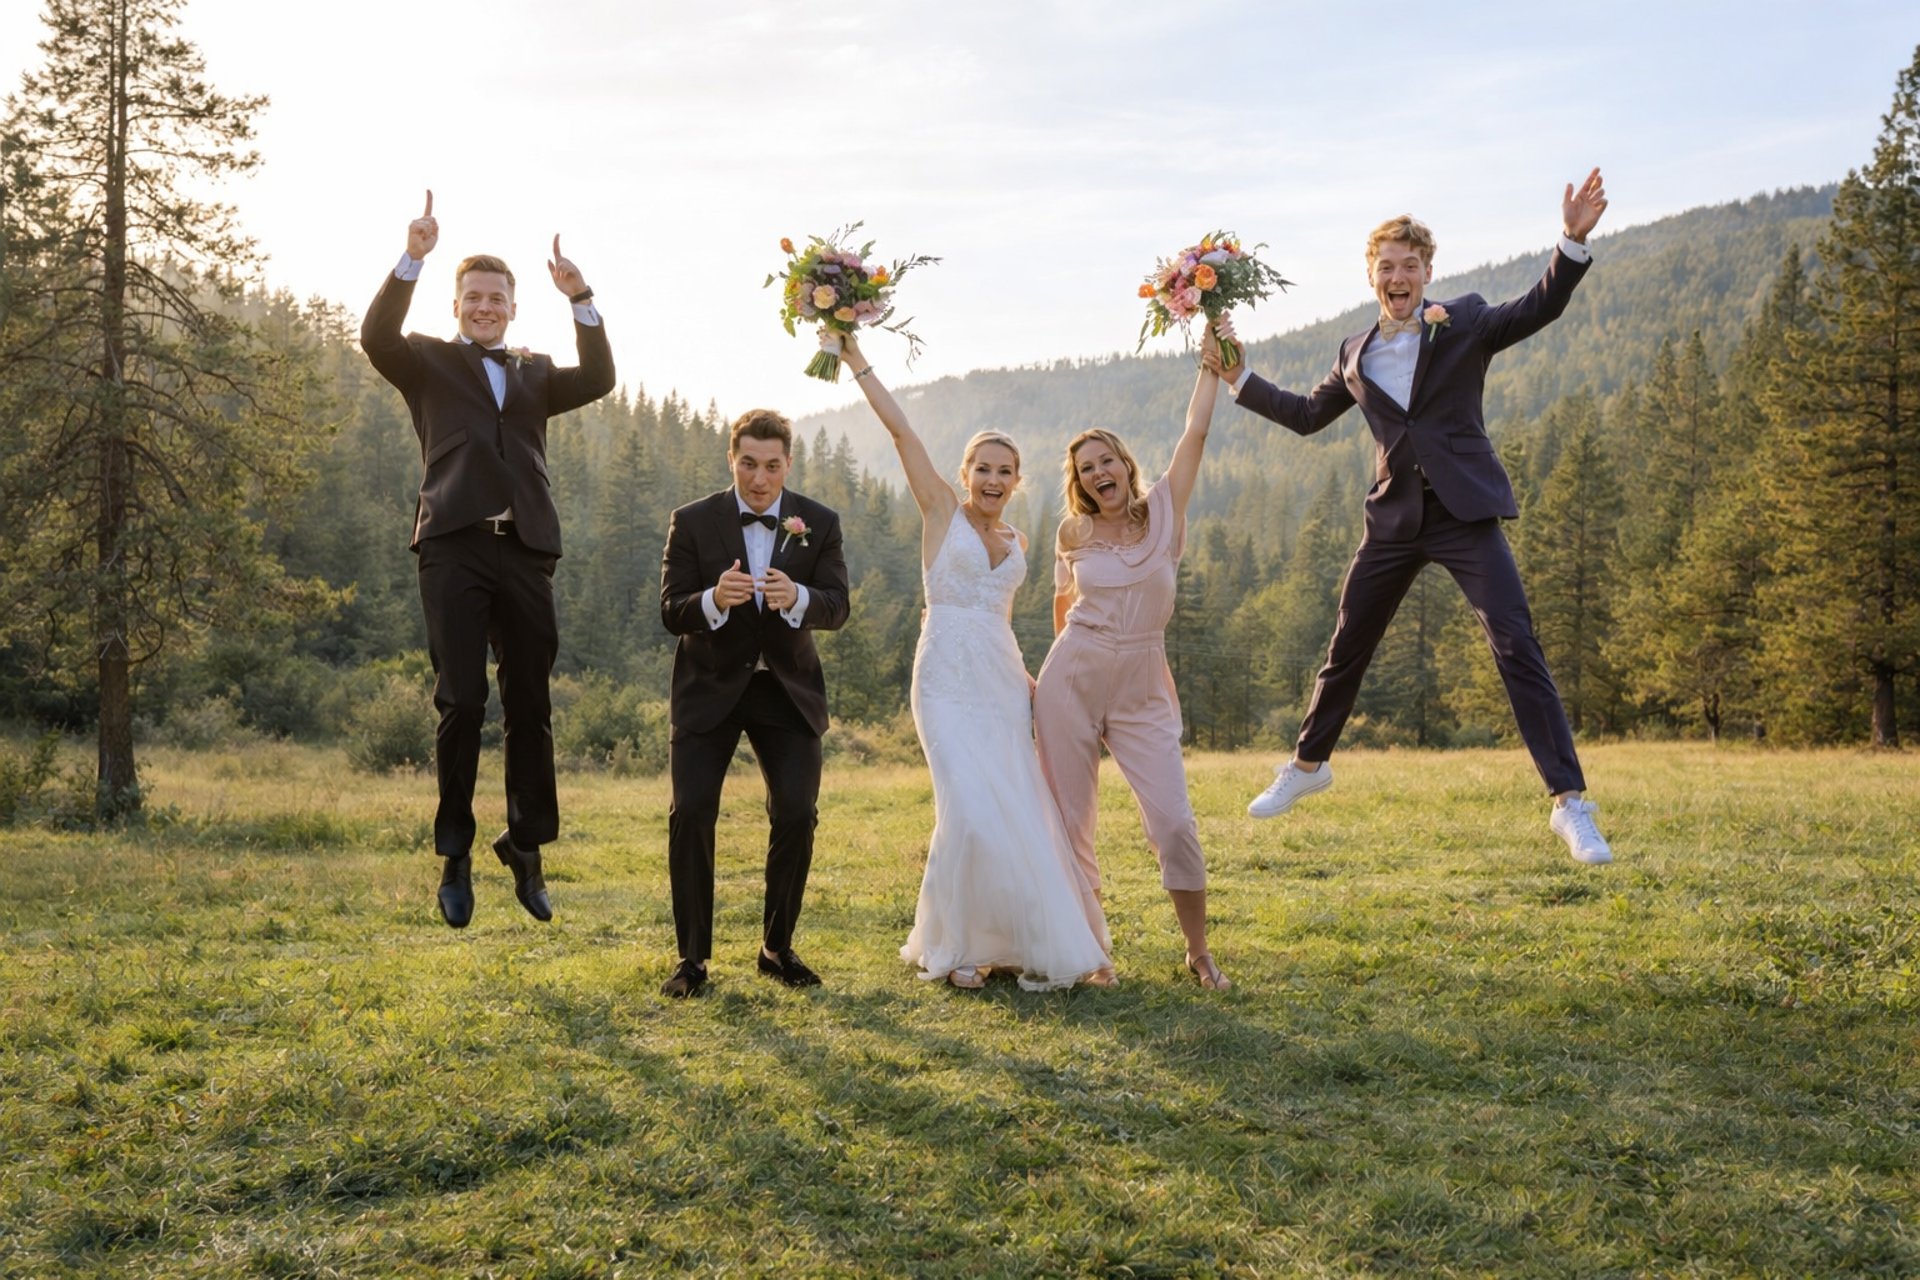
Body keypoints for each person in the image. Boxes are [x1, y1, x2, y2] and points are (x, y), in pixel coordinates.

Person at [1218, 169, 1615, 866]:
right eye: (1386, 267)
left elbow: (1536, 307)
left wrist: (1571, 243)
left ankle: (1570, 805)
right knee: (1347, 646)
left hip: (1464, 513)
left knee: (1517, 645)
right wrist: (1240, 381)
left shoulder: (1462, 320)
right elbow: (1309, 417)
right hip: (1393, 520)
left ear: (1428, 272)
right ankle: (1308, 766)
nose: (1397, 276)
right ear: (1373, 277)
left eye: (1409, 265)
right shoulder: (1354, 352)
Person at [360, 191, 615, 929]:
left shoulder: (535, 373)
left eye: (496, 298)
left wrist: (583, 298)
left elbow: (599, 380)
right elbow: (375, 335)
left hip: (526, 551)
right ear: (456, 305)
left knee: (530, 705)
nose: (484, 307)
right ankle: (455, 855)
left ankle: (526, 845)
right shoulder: (428, 362)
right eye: (472, 297)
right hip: (453, 546)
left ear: (511, 307)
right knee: (462, 701)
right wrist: (413, 255)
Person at [837, 330, 1113, 991]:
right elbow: (903, 435)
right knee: (965, 806)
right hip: (944, 679)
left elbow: (1007, 618)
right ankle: (956, 944)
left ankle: (1010, 943)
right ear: (964, 476)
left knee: (1018, 806)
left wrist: (1032, 687)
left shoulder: (1018, 538)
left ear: (1018, 482)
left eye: (1004, 470)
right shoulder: (940, 512)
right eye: (982, 468)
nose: (992, 479)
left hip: (1000, 679)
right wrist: (856, 361)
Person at [1031, 329, 1232, 991]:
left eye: (1106, 460)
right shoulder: (1071, 533)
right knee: (1070, 821)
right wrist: (1051, 678)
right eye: (1086, 467)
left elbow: (1195, 433)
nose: (1098, 472)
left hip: (1144, 681)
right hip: (1073, 678)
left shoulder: (1164, 514)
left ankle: (1198, 951)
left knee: (1173, 823)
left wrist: (1212, 363)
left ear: (1125, 463)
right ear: (1079, 482)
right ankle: (1090, 953)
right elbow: (1062, 607)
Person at [657, 409, 851, 997]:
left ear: (787, 464)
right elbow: (671, 609)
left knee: (796, 812)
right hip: (709, 686)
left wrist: (800, 598)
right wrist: (713, 599)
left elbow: (837, 605)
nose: (760, 478)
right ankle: (692, 960)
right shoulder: (691, 521)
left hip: (785, 690)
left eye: (771, 466)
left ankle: (775, 948)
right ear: (731, 459)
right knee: (691, 812)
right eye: (748, 464)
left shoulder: (819, 521)